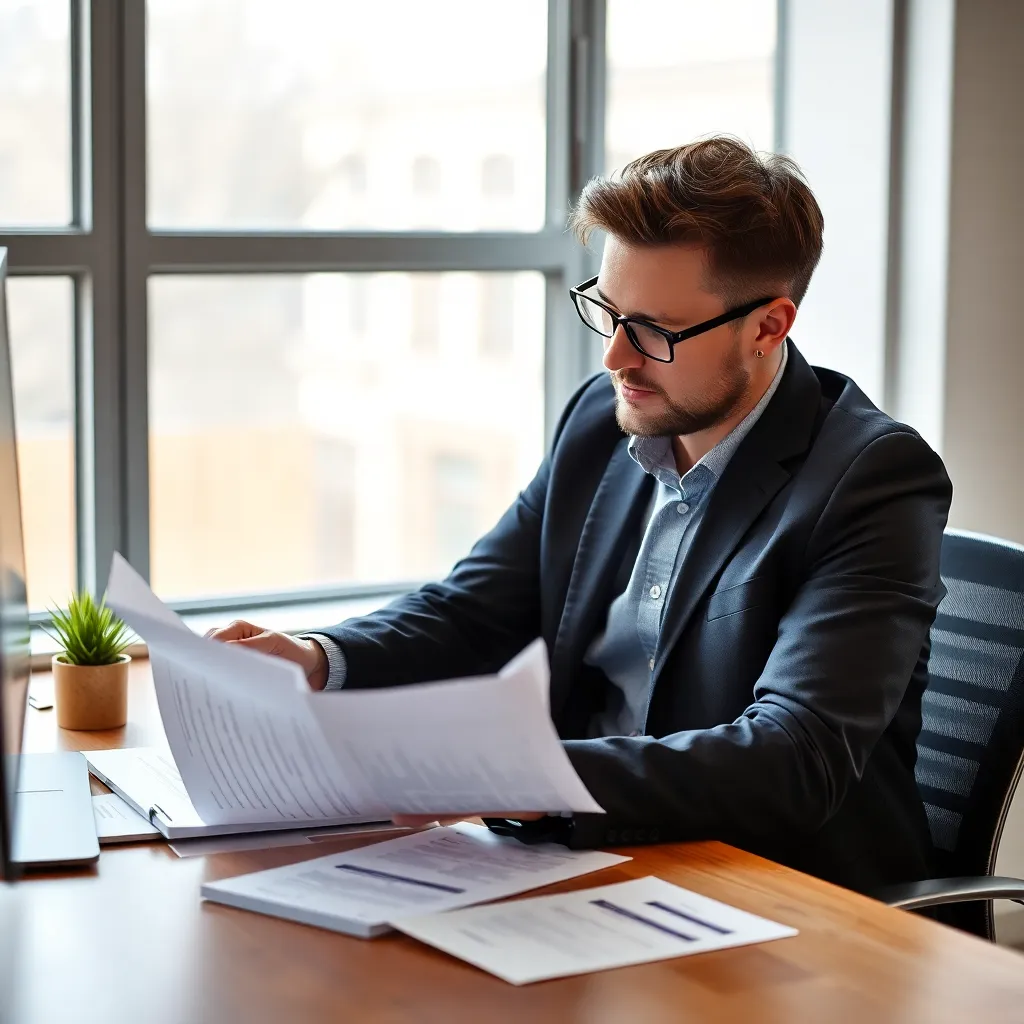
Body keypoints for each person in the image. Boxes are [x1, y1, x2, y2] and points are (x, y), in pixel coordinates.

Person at [207, 137, 952, 893]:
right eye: (609, 311)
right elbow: (477, 611)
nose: (615, 359)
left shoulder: (874, 480)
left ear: (767, 328)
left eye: (655, 332)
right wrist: (315, 658)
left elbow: (793, 757)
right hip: (586, 864)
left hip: (778, 899)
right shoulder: (603, 419)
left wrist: (513, 775)